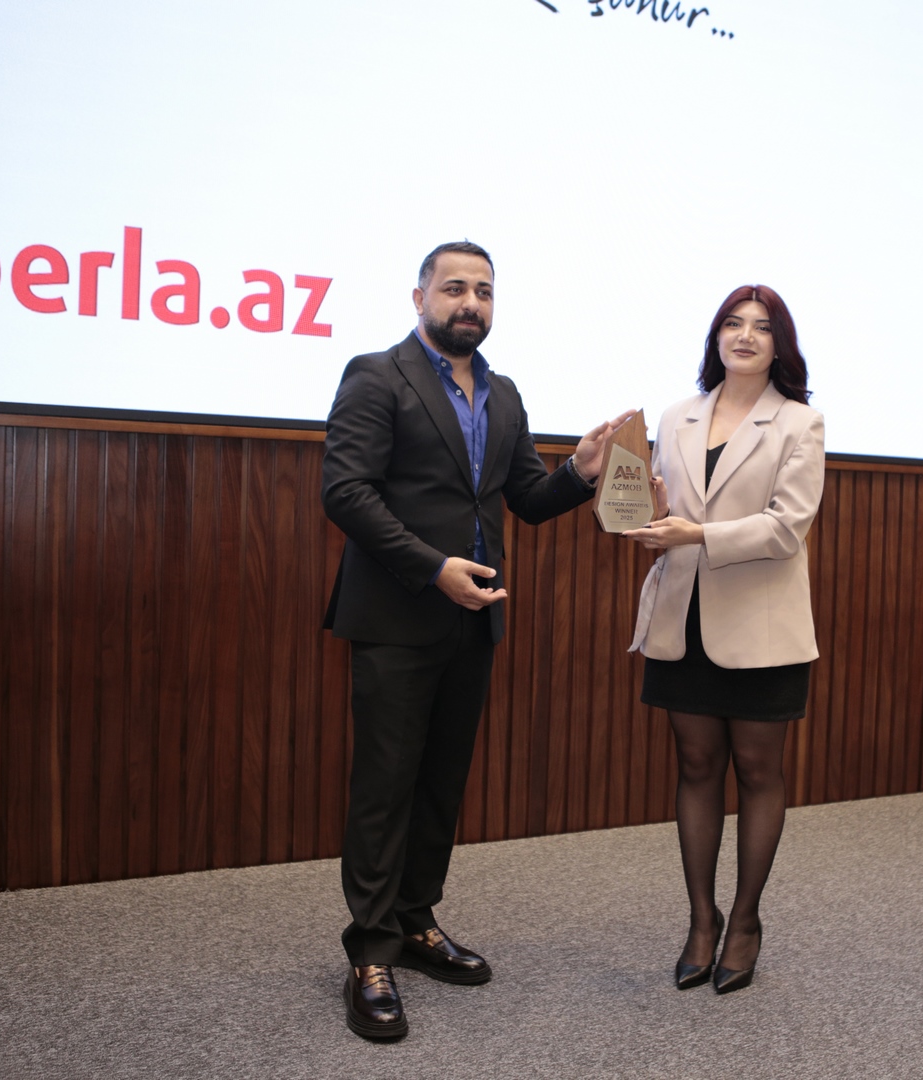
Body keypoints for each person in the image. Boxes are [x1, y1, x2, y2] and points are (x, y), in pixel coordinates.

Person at [322, 240, 632, 1040]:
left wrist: (581, 471)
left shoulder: (505, 392)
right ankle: (370, 953)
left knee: (441, 783)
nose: (471, 303)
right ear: (419, 296)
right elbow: (346, 492)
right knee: (386, 786)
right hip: (397, 616)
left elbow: (525, 498)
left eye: (484, 291)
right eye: (454, 287)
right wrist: (433, 569)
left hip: (473, 619)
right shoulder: (375, 376)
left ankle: (415, 921)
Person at [624, 284, 824, 994]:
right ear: (715, 337)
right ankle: (700, 922)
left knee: (758, 771)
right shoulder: (676, 416)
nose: (744, 336)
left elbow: (786, 527)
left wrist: (697, 534)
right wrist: (639, 514)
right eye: (732, 324)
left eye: (761, 327)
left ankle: (744, 922)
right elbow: (657, 504)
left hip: (762, 626)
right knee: (696, 765)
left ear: (779, 345)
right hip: (683, 618)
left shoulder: (799, 422)